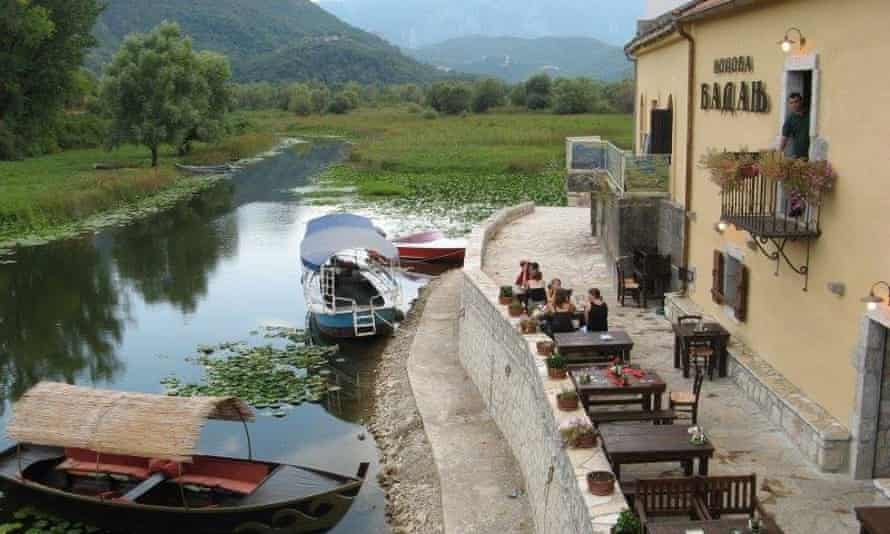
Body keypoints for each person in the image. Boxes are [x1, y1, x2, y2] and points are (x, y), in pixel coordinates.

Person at [780, 92, 810, 160]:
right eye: (791, 103)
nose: (794, 105)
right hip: (799, 156)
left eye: (796, 102)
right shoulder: (790, 120)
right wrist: (779, 154)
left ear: (801, 101)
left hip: (813, 154)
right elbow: (784, 138)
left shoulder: (811, 115)